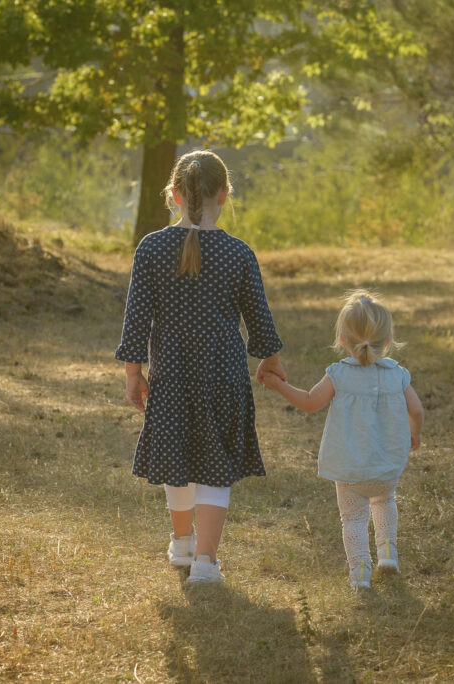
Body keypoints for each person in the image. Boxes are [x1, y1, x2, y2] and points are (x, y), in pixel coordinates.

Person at [115, 149, 286, 584]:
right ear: (224, 195)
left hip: (171, 374)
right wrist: (270, 358)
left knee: (177, 456)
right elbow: (258, 316)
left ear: (174, 195)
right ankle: (206, 563)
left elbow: (136, 319)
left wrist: (134, 374)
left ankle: (182, 543)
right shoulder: (238, 253)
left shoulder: (152, 248)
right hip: (223, 376)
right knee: (216, 464)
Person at [261, 290, 424, 589]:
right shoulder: (397, 375)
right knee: (384, 501)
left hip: (349, 468)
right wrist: (414, 433)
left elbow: (310, 402)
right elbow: (416, 410)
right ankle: (388, 554)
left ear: (343, 340)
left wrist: (277, 385)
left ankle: (360, 573)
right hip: (387, 465)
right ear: (387, 340)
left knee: (354, 520)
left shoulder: (338, 374)